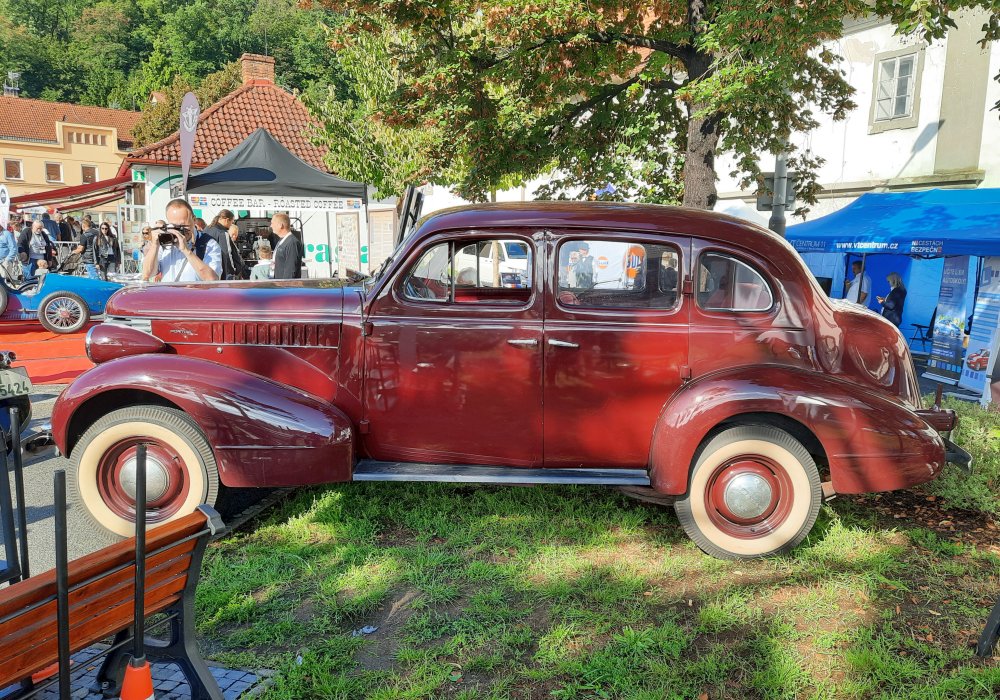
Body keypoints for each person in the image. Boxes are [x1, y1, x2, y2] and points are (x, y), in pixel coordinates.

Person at [142, 199, 221, 283]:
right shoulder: (165, 242)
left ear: (194, 220)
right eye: (174, 226)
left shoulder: (208, 244)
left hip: (195, 291)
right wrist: (155, 245)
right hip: (168, 291)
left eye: (183, 225)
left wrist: (186, 251)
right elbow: (147, 274)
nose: (179, 230)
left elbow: (212, 279)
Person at [205, 210, 242, 280]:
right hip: (222, 273)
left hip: (207, 269)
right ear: (227, 220)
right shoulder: (222, 233)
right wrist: (233, 271)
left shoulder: (207, 229)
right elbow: (227, 254)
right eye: (231, 222)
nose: (231, 225)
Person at [270, 213, 303, 279]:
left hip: (286, 284)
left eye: (272, 223)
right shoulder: (282, 240)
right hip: (278, 282)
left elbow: (291, 270)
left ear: (281, 225)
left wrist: (285, 284)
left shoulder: (292, 243)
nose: (271, 226)